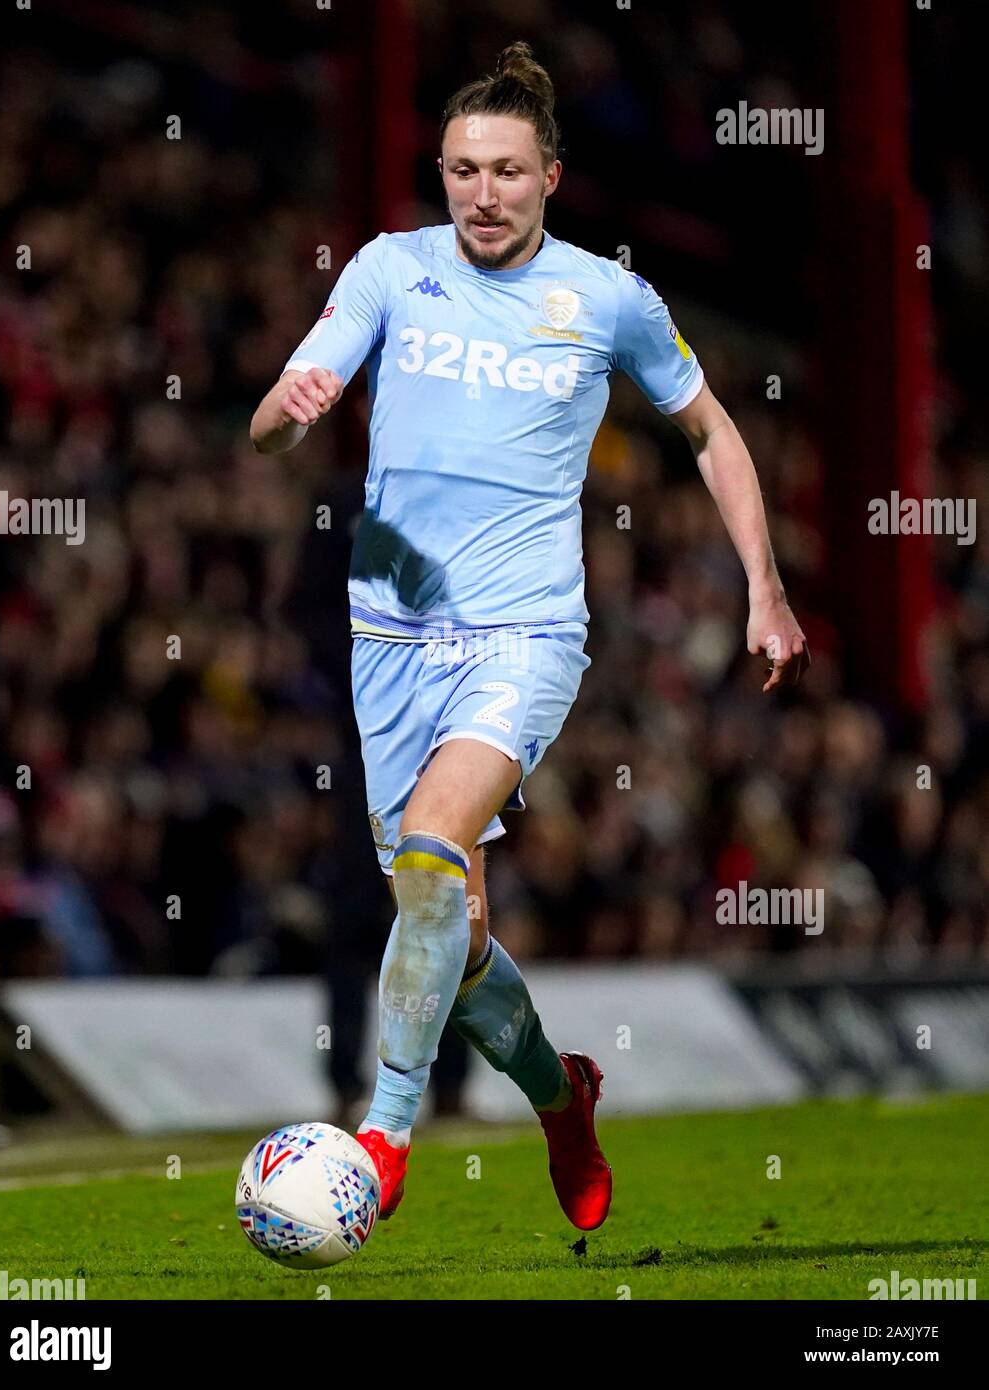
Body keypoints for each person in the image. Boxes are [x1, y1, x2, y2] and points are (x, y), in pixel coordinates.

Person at [250, 42, 809, 1231]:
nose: (481, 194)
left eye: (505, 171)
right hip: (388, 636)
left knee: (431, 849)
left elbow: (711, 433)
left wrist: (763, 585)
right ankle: (563, 1098)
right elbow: (283, 407)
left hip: (525, 632)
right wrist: (284, 418)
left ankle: (382, 1133)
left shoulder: (608, 298)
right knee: (447, 928)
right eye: (461, 170)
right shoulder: (392, 270)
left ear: (550, 175)